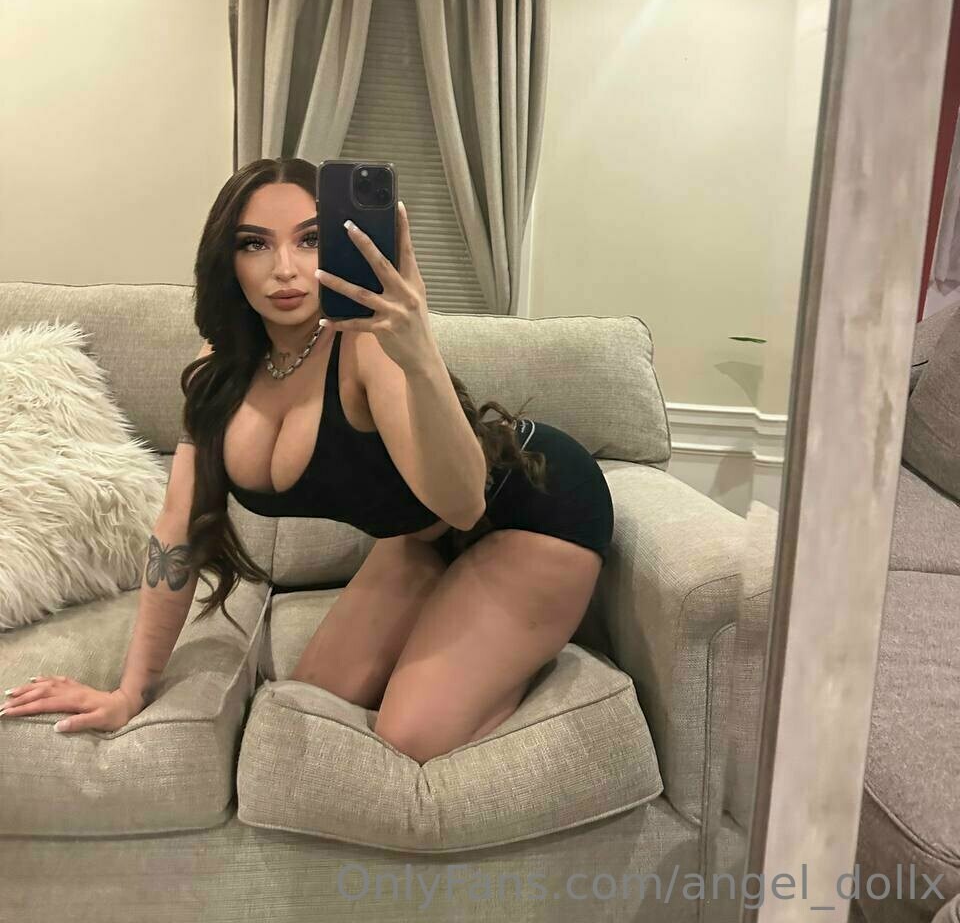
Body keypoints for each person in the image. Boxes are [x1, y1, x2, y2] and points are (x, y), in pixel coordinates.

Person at [1, 158, 614, 765]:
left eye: (310, 239)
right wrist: (129, 692)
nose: (285, 269)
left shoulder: (365, 343)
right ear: (226, 260)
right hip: (419, 539)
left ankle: (529, 644)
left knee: (410, 733)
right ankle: (468, 612)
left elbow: (463, 503)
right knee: (314, 699)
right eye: (254, 244)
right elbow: (177, 527)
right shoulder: (220, 370)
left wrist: (420, 352)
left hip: (532, 506)